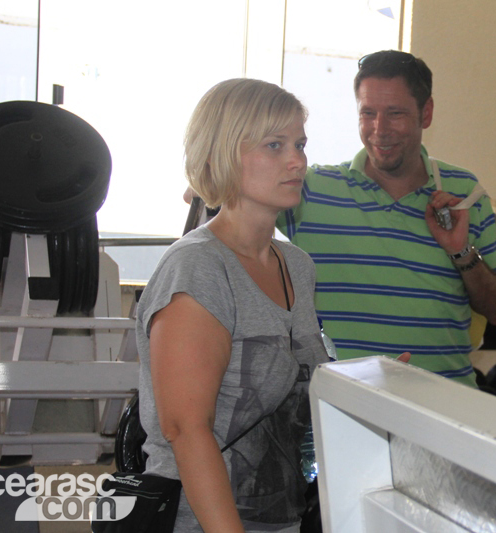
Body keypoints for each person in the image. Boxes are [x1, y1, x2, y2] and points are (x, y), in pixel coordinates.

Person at [136, 78, 329, 533]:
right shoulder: (198, 267)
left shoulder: (297, 266)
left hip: (282, 516)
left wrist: (366, 386)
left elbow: (297, 391)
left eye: (300, 144)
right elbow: (186, 429)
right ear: (223, 153)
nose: (297, 160)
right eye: (275, 145)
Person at [276, 50, 496, 387]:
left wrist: (461, 252)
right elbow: (236, 201)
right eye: (368, 113)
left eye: (395, 113)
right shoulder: (310, 190)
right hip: (344, 406)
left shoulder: (464, 192)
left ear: (426, 113)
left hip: (444, 405)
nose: (379, 129)